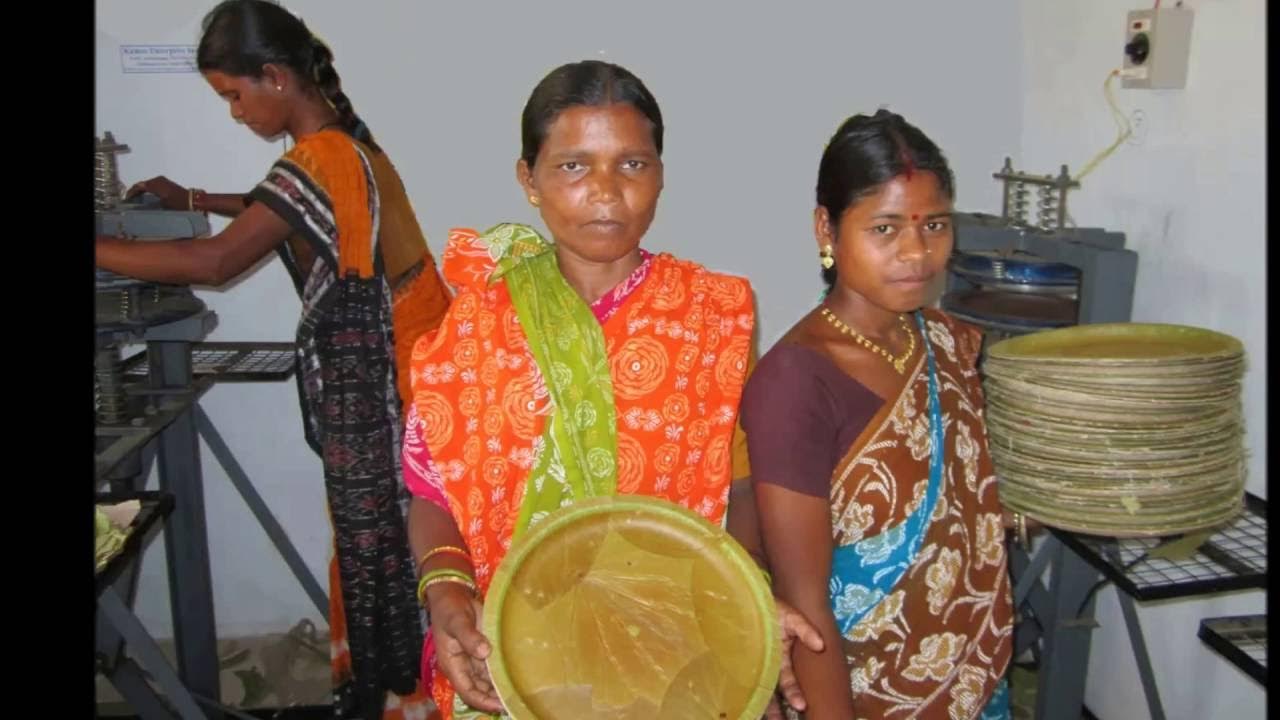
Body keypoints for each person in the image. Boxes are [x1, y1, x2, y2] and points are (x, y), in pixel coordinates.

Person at [400, 60, 823, 719]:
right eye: (573, 166)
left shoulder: (711, 315)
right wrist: (447, 591)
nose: (606, 191)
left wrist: (742, 598)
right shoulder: (477, 323)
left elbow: (738, 485)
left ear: (661, 174)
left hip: (673, 645)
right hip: (511, 645)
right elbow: (431, 490)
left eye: (632, 165)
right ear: (528, 180)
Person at [94, 2, 450, 718]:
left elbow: (220, 260)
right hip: (419, 367)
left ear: (276, 77)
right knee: (391, 545)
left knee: (389, 545)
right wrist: (191, 195)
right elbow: (280, 208)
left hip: (400, 384)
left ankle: (403, 693)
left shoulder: (325, 156)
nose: (233, 112)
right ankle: (397, 688)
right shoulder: (344, 145)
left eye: (234, 94)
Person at [740, 110, 1018, 719]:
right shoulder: (797, 383)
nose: (917, 253)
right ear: (827, 228)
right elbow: (805, 605)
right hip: (866, 695)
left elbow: (965, 508)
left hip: (977, 684)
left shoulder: (946, 341)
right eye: (885, 228)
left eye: (934, 225)